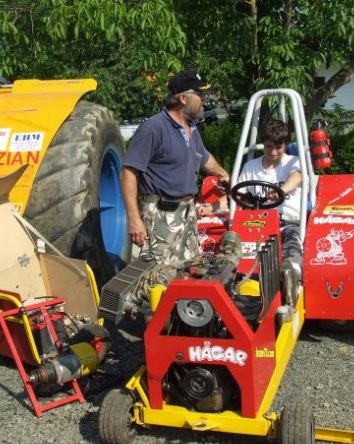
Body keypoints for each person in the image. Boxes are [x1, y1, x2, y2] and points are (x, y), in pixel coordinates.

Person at [121, 70, 230, 265]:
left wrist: (223, 174)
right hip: (160, 214)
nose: (203, 99)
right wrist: (134, 218)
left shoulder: (191, 128)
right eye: (200, 94)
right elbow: (128, 172)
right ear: (183, 98)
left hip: (187, 212)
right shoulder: (153, 129)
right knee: (156, 276)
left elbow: (204, 159)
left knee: (189, 272)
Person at [236, 119, 303, 302]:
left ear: (286, 145)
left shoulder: (293, 162)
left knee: (292, 243)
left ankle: (290, 277)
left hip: (287, 219)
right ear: (263, 144)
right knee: (233, 242)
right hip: (256, 221)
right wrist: (213, 207)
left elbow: (297, 176)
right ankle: (233, 280)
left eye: (278, 147)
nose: (273, 152)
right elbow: (238, 194)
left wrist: (281, 190)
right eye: (268, 146)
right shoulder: (251, 167)